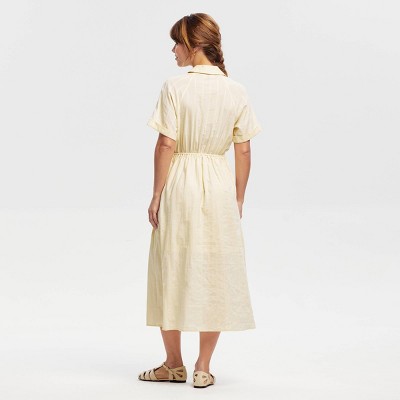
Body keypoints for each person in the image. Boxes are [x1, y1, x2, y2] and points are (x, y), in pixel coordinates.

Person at [138, 13, 262, 388]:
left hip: (180, 182)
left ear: (193, 45)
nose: (173, 50)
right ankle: (203, 366)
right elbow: (244, 150)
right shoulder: (236, 90)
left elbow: (166, 143)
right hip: (219, 183)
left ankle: (173, 363)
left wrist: (156, 194)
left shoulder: (175, 87)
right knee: (215, 269)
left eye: (177, 42)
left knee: (170, 265)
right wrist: (238, 197)